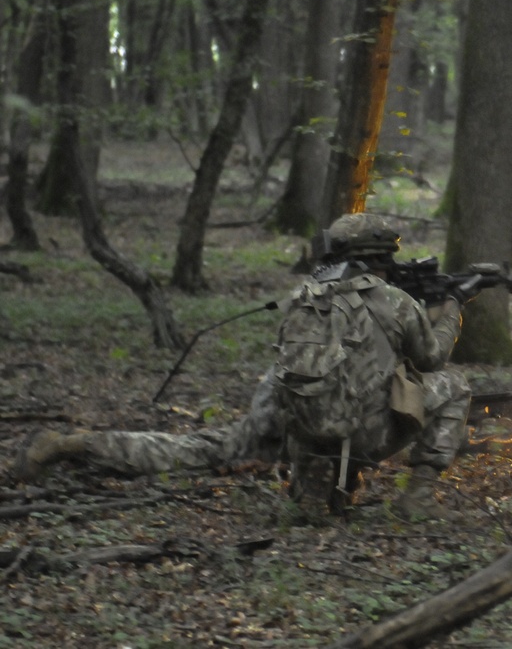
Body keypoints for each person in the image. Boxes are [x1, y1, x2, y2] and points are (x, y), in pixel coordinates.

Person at [15, 213, 472, 521]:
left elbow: (288, 374)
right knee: (454, 384)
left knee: (195, 448)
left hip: (292, 429)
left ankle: (74, 445)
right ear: (381, 256)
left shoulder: (303, 297)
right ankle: (415, 499)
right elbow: (432, 359)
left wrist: (273, 430)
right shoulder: (395, 302)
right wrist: (453, 306)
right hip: (361, 436)